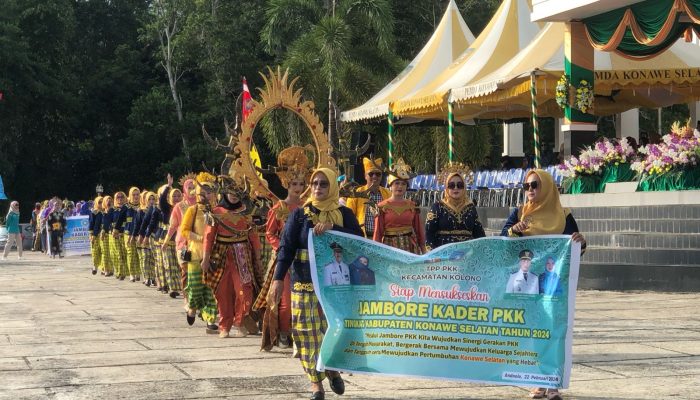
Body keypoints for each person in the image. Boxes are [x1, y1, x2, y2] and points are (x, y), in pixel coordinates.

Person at [270, 167, 363, 400]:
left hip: (336, 283)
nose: (318, 188)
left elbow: (359, 242)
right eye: (314, 183)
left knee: (333, 330)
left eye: (323, 184)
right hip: (303, 280)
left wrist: (334, 229)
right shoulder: (300, 214)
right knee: (305, 332)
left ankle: (331, 368)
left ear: (332, 186)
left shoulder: (344, 213)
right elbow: (286, 247)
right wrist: (278, 279)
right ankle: (315, 383)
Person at [500, 169, 586, 400]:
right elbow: (502, 240)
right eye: (526, 186)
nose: (530, 190)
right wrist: (513, 231)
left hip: (552, 286)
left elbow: (575, 248)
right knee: (532, 331)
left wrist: (581, 242)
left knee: (553, 331)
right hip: (527, 286)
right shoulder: (519, 213)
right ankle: (537, 380)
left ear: (546, 187)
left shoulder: (563, 216)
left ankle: (553, 382)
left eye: (535, 185)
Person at [254, 147, 311, 351]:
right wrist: (282, 248)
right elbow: (269, 233)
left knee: (304, 297)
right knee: (285, 300)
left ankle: (300, 333)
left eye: (301, 184)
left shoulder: (308, 208)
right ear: (287, 184)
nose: (298, 187)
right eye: (294, 183)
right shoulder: (278, 209)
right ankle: (284, 332)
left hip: (304, 259)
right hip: (284, 259)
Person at [201, 174, 262, 339]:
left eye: (237, 191)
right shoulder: (215, 212)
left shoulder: (247, 211)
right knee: (223, 291)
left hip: (242, 252)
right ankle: (224, 325)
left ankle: (240, 321)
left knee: (245, 288)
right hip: (220, 254)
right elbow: (208, 237)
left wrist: (258, 256)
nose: (234, 194)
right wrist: (205, 259)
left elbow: (254, 236)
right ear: (224, 192)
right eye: (231, 191)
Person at [180, 173, 219, 334]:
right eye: (203, 191)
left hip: (213, 254)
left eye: (209, 191)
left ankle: (210, 320)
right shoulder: (192, 210)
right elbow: (184, 231)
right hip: (195, 254)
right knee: (196, 287)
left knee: (211, 289)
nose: (206, 194)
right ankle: (192, 307)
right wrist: (201, 238)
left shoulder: (217, 210)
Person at [425, 164, 485, 250]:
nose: (455, 188)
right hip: (444, 256)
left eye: (460, 185)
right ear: (446, 187)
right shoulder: (437, 207)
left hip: (467, 255)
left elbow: (479, 234)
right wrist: (431, 254)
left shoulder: (470, 208)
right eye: (451, 185)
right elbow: (429, 233)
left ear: (464, 187)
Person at [373, 158, 425, 254]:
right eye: (397, 183)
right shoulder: (381, 207)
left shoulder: (413, 206)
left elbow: (419, 230)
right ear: (390, 186)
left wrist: (423, 250)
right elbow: (378, 233)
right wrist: (376, 254)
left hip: (410, 247)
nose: (400, 187)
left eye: (403, 184)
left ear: (406, 187)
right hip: (389, 248)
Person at [164, 174, 197, 301]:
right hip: (183, 244)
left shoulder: (203, 204)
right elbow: (173, 226)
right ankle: (188, 299)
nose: (192, 190)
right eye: (189, 188)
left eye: (194, 187)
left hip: (199, 244)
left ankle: (197, 298)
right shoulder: (179, 206)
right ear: (185, 189)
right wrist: (166, 241)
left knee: (198, 273)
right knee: (186, 271)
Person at [346, 157, 391, 238]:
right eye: (371, 174)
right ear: (365, 176)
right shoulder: (355, 194)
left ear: (381, 176)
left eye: (378, 174)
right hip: (363, 237)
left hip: (383, 238)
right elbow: (349, 218)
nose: (374, 177)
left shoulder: (388, 194)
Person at [124, 187, 141, 282]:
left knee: (139, 254)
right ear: (130, 195)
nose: (135, 196)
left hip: (139, 234)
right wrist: (116, 230)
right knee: (131, 254)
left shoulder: (143, 206)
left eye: (137, 194)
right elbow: (119, 220)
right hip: (128, 233)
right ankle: (132, 273)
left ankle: (138, 272)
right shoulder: (126, 207)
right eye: (133, 195)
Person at [110, 191, 128, 280]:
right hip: (115, 234)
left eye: (122, 197)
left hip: (125, 233)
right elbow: (107, 222)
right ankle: (120, 272)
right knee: (118, 254)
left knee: (125, 253)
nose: (120, 199)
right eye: (118, 197)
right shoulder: (112, 209)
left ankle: (125, 271)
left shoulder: (128, 208)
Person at [99, 195, 115, 276]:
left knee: (111, 252)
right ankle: (105, 269)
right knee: (105, 252)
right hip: (103, 234)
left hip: (110, 233)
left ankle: (111, 269)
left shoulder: (113, 210)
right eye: (107, 200)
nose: (109, 201)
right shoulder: (101, 212)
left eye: (110, 200)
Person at [88, 196, 103, 274]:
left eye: (102, 202)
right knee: (95, 251)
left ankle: (104, 268)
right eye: (99, 202)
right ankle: (95, 267)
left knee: (103, 252)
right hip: (95, 234)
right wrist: (91, 234)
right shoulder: (94, 212)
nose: (101, 204)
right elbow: (91, 223)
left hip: (104, 234)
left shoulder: (106, 211)